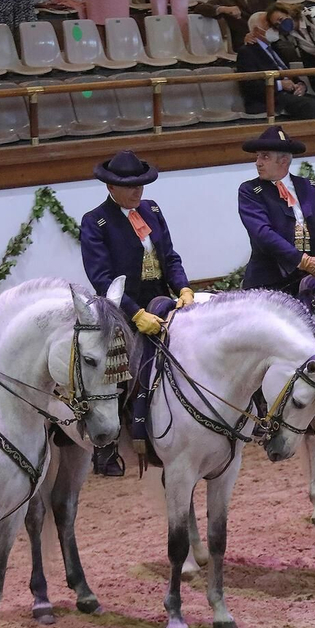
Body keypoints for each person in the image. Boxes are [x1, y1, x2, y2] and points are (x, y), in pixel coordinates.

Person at [79, 151, 191, 474]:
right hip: (121, 308)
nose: (137, 191)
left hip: (161, 301)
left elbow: (169, 257)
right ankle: (107, 444)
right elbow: (102, 278)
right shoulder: (95, 221)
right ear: (110, 187)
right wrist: (135, 312)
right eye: (129, 186)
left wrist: (182, 287)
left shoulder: (152, 211)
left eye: (140, 185)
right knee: (111, 362)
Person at [238, 126, 315, 297]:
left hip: (310, 280)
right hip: (270, 282)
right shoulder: (251, 191)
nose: (258, 162)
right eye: (258, 156)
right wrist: (301, 261)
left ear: (283, 160)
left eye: (264, 156)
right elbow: (263, 234)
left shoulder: (308, 187)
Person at [237, 11, 315, 120]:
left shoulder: (277, 48)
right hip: (268, 98)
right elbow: (250, 86)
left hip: (289, 95)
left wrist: (301, 85)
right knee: (308, 104)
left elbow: (289, 74)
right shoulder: (247, 51)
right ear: (256, 30)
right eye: (268, 25)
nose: (274, 28)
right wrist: (280, 85)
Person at [195, 0, 288, 51]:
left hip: (271, 38)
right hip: (245, 42)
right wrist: (222, 8)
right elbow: (200, 8)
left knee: (287, 49)